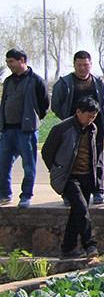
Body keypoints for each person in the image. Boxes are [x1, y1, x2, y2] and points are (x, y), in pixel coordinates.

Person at [41, 97, 101, 258]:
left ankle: (68, 248)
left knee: (76, 213)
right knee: (81, 210)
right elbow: (47, 152)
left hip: (86, 176)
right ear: (78, 112)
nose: (90, 119)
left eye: (93, 116)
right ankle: (90, 245)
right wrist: (57, 169)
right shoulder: (62, 129)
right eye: (88, 116)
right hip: (68, 177)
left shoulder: (92, 129)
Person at [51, 50, 104, 203]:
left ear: (91, 65)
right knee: (71, 160)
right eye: (79, 65)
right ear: (74, 65)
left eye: (86, 65)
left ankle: (97, 190)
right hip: (72, 129)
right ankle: (68, 194)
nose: (83, 68)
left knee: (97, 160)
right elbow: (56, 105)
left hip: (94, 128)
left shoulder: (98, 82)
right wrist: (69, 120)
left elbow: (102, 103)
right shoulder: (64, 83)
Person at [0, 48, 49, 207]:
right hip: (8, 130)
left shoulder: (36, 80)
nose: (9, 65)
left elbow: (44, 104)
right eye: (7, 62)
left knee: (28, 166)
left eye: (11, 61)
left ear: (21, 60)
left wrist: (32, 119)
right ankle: (4, 194)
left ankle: (26, 195)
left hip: (26, 131)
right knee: (3, 163)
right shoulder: (8, 81)